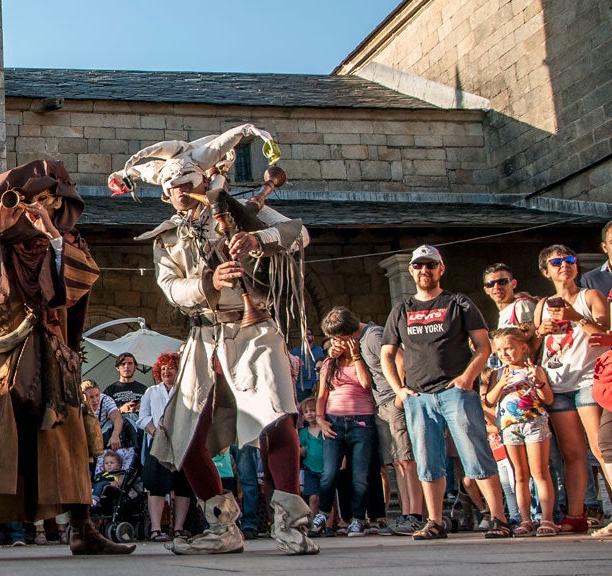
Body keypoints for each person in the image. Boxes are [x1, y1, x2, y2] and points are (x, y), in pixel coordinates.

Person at [120, 124, 318, 555]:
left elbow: (299, 235)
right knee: (183, 437)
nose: (181, 192)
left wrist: (258, 240)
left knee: (278, 420)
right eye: (173, 188)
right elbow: (171, 288)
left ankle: (291, 524)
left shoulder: (242, 211)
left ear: (205, 181)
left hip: (254, 330)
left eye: (188, 184)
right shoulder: (167, 238)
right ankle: (222, 526)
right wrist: (208, 280)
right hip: (203, 337)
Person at [0, 159, 132, 562]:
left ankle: (83, 530)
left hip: (50, 360)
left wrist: (54, 238)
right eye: (29, 199)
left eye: (46, 200)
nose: (36, 207)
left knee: (65, 440)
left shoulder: (67, 243)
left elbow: (76, 289)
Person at [381, 244, 512, 540]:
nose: (424, 271)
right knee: (427, 461)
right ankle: (435, 521)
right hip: (418, 396)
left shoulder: (458, 303)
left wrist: (468, 377)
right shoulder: (402, 309)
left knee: (476, 455)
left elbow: (483, 345)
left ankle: (499, 519)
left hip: (456, 391)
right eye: (419, 266)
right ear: (412, 270)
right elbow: (387, 353)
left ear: (441, 269)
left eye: (430, 265)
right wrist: (398, 390)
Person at [533, 244, 609, 534]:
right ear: (545, 271)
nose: (564, 265)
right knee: (572, 453)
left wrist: (575, 317)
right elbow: (531, 344)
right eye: (556, 262)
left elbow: (606, 334)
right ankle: (576, 515)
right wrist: (539, 332)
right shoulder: (542, 304)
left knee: (602, 449)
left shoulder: (590, 296)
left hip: (589, 379)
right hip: (558, 383)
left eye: (569, 260)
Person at [311, 308, 378, 537]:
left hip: (361, 420)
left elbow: (366, 384)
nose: (338, 342)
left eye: (342, 338)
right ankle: (322, 513)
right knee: (329, 472)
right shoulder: (329, 364)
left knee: (359, 475)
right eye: (334, 339)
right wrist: (320, 420)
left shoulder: (362, 357)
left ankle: (358, 518)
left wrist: (356, 355)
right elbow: (321, 395)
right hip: (334, 422)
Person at [485, 327, 558, 536]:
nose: (505, 354)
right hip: (509, 427)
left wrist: (539, 382)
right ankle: (524, 519)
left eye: (509, 348)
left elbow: (548, 399)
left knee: (540, 472)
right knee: (520, 475)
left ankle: (547, 518)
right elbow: (489, 400)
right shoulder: (498, 373)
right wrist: (500, 384)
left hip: (534, 423)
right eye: (499, 350)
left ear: (523, 347)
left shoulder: (533, 369)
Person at [139, 353, 191, 542]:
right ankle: (156, 528)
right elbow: (143, 417)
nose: (166, 371)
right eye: (163, 369)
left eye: (170, 368)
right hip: (159, 440)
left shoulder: (185, 390)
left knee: (182, 484)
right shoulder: (151, 392)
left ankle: (178, 528)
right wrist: (155, 432)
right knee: (156, 484)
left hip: (182, 441)